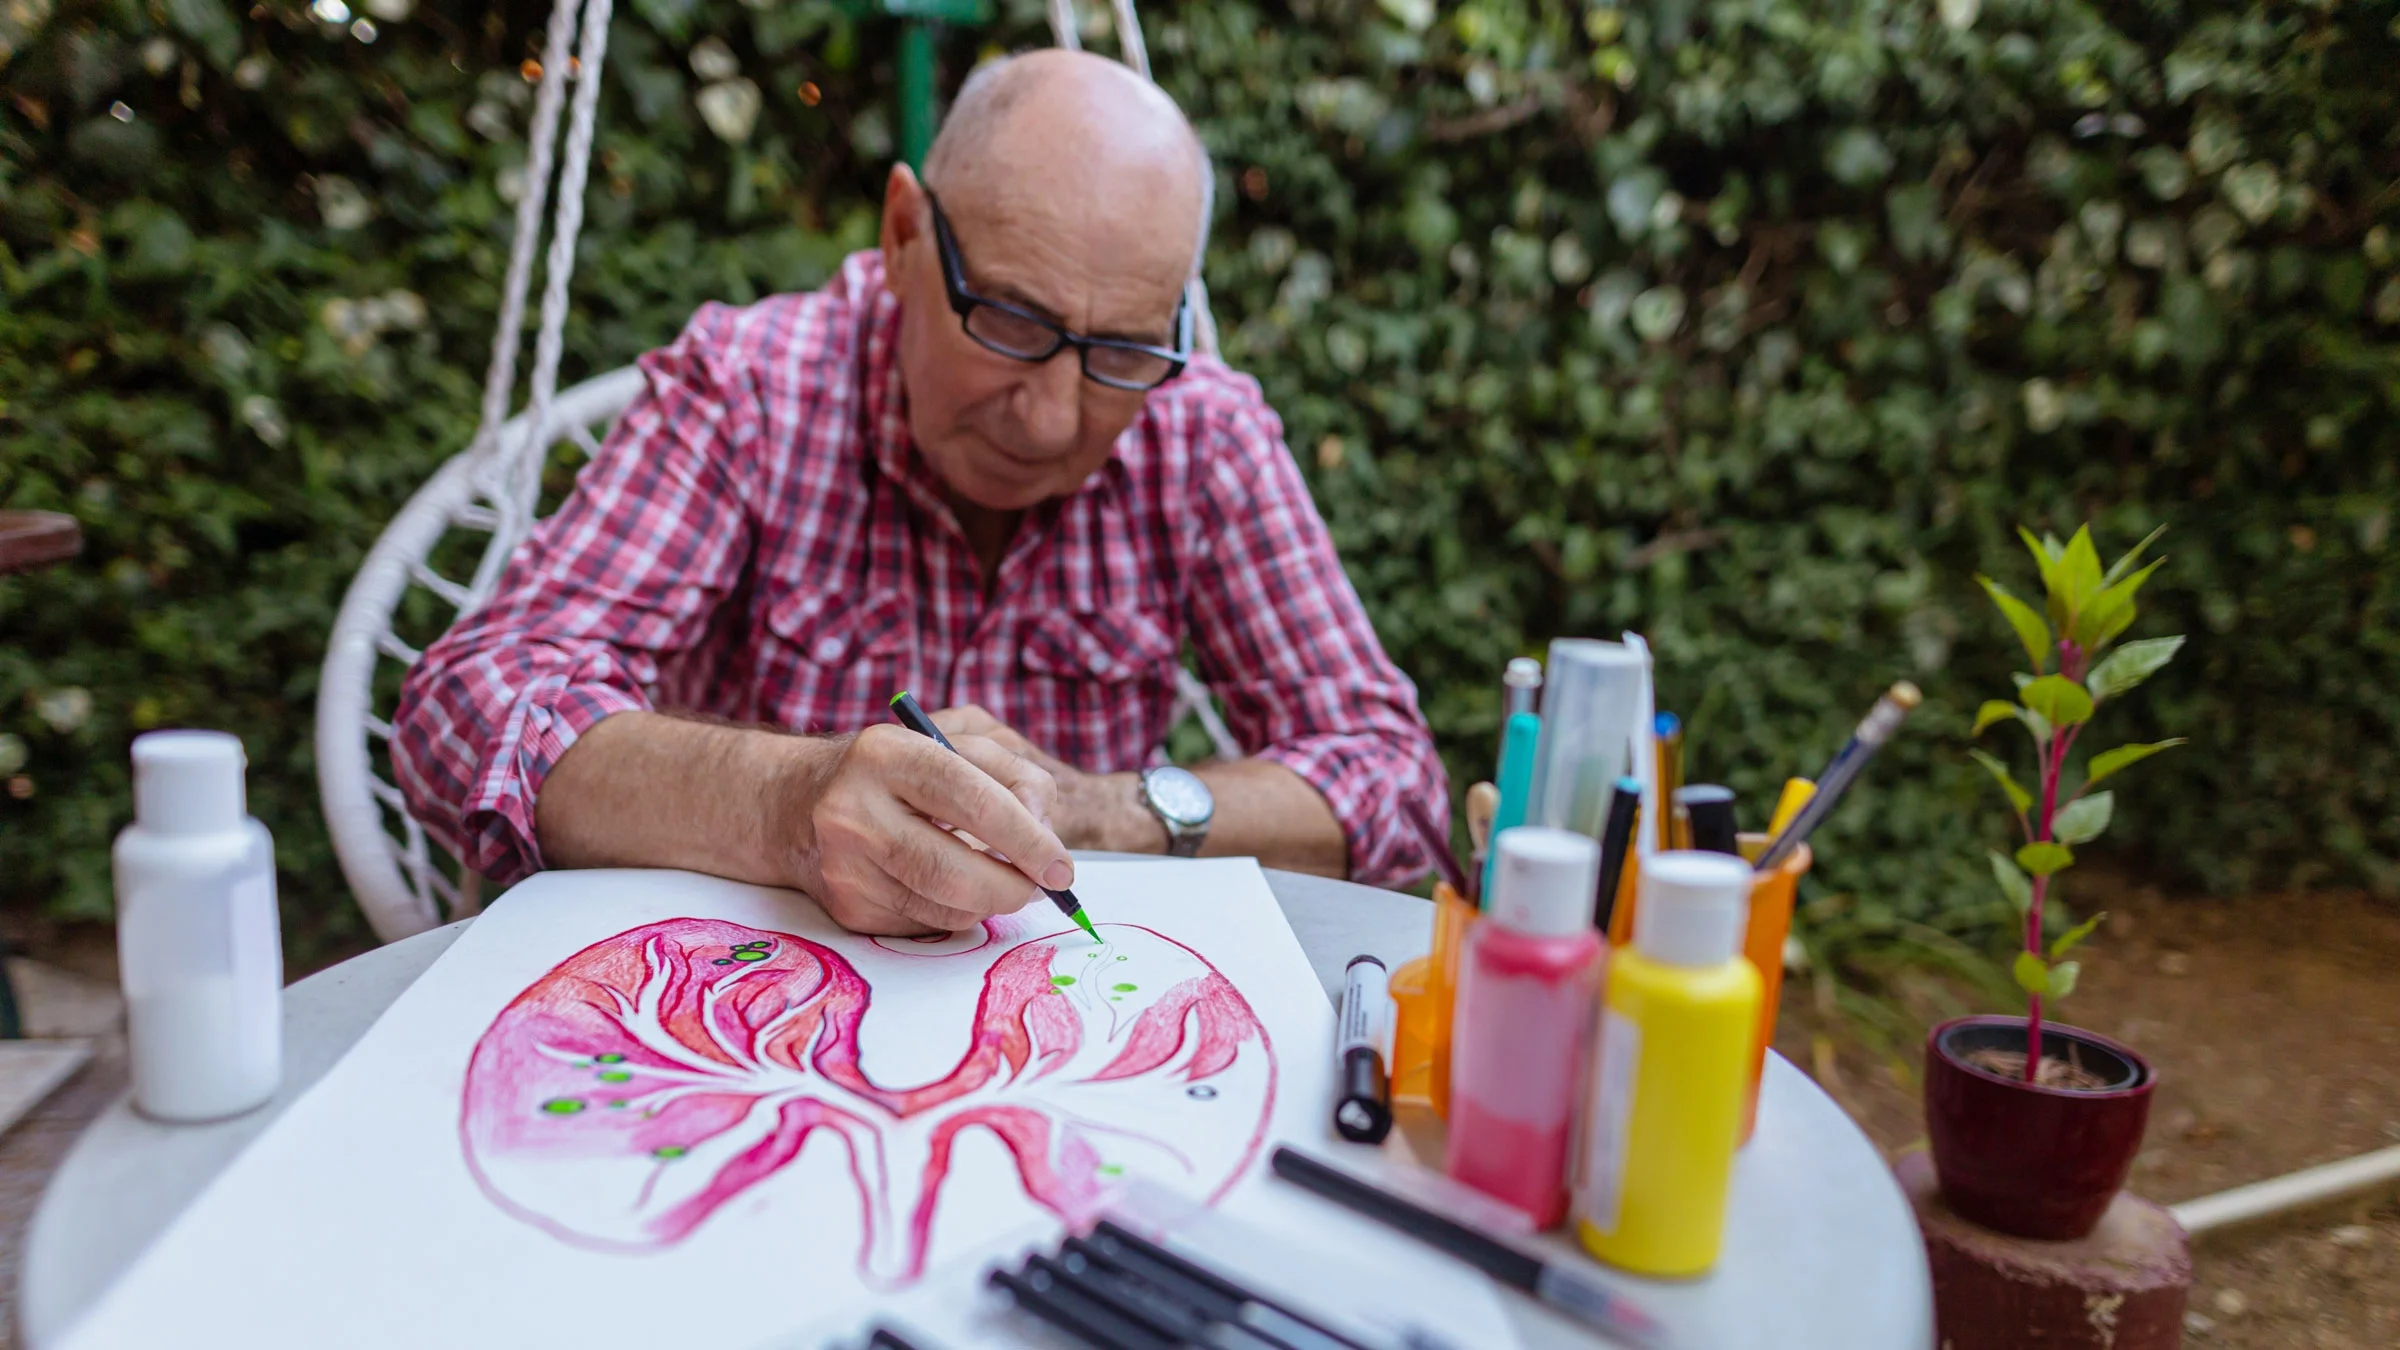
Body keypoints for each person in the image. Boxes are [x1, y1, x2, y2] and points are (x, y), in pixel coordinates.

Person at [392, 49, 1444, 937]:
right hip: (740, 1011)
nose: (1051, 419)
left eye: (1120, 351)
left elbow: (1395, 782)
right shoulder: (752, 391)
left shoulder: (1197, 427)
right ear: (902, 235)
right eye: (1014, 326)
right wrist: (785, 804)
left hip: (1071, 1020)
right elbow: (472, 704)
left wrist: (1110, 809)